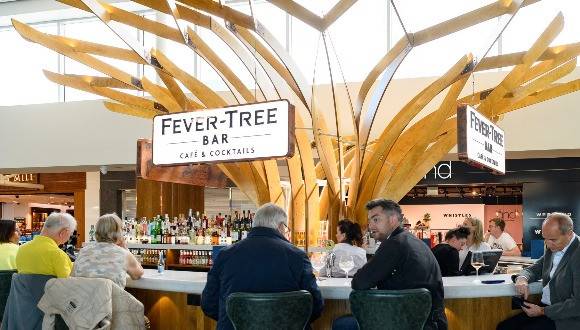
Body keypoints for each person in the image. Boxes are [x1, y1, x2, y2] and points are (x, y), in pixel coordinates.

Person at [201, 203, 323, 330]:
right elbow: (315, 306)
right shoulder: (298, 256)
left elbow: (209, 304)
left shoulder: (225, 255)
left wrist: (240, 322)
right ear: (281, 227)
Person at [338, 199, 447, 330]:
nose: (370, 226)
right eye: (370, 220)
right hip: (429, 323)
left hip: (405, 323)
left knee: (342, 324)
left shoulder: (394, 244)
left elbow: (358, 282)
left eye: (376, 219)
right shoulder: (412, 241)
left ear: (393, 220)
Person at [497, 212, 580, 330]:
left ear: (569, 233)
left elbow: (578, 305)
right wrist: (522, 279)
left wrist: (542, 311)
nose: (547, 243)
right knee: (504, 327)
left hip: (565, 319)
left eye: (552, 239)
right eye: (545, 239)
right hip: (545, 310)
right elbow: (535, 269)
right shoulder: (553, 247)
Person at [72, 213, 144, 288]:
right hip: (110, 299)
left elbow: (72, 277)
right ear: (118, 231)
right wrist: (125, 249)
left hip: (81, 298)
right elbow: (137, 275)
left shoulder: (83, 251)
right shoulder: (124, 254)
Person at [16, 212, 76, 278]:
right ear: (63, 232)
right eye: (71, 233)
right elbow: (69, 285)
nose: (69, 237)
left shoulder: (22, 249)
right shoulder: (58, 255)